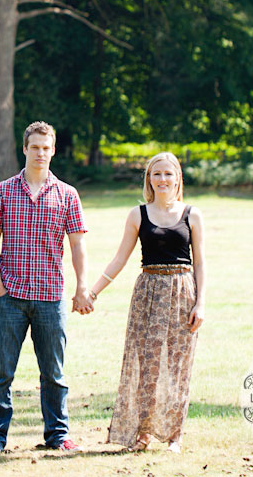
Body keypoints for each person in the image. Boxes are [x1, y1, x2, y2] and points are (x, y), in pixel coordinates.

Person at [83, 151, 205, 453]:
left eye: (167, 174)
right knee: (147, 365)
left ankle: (175, 434)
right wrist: (92, 291)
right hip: (147, 293)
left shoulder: (193, 214)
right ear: (149, 179)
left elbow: (201, 263)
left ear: (177, 177)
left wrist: (201, 303)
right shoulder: (138, 214)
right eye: (156, 174)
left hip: (182, 292)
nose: (162, 179)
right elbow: (119, 259)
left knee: (178, 366)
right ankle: (144, 432)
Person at [0, 120, 90, 454]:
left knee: (54, 374)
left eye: (47, 148)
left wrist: (81, 286)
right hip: (10, 298)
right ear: (24, 148)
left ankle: (57, 435)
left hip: (50, 299)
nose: (41, 153)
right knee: (1, 373)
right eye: (35, 147)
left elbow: (77, 245)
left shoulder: (68, 195)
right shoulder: (2, 191)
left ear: (53, 150)